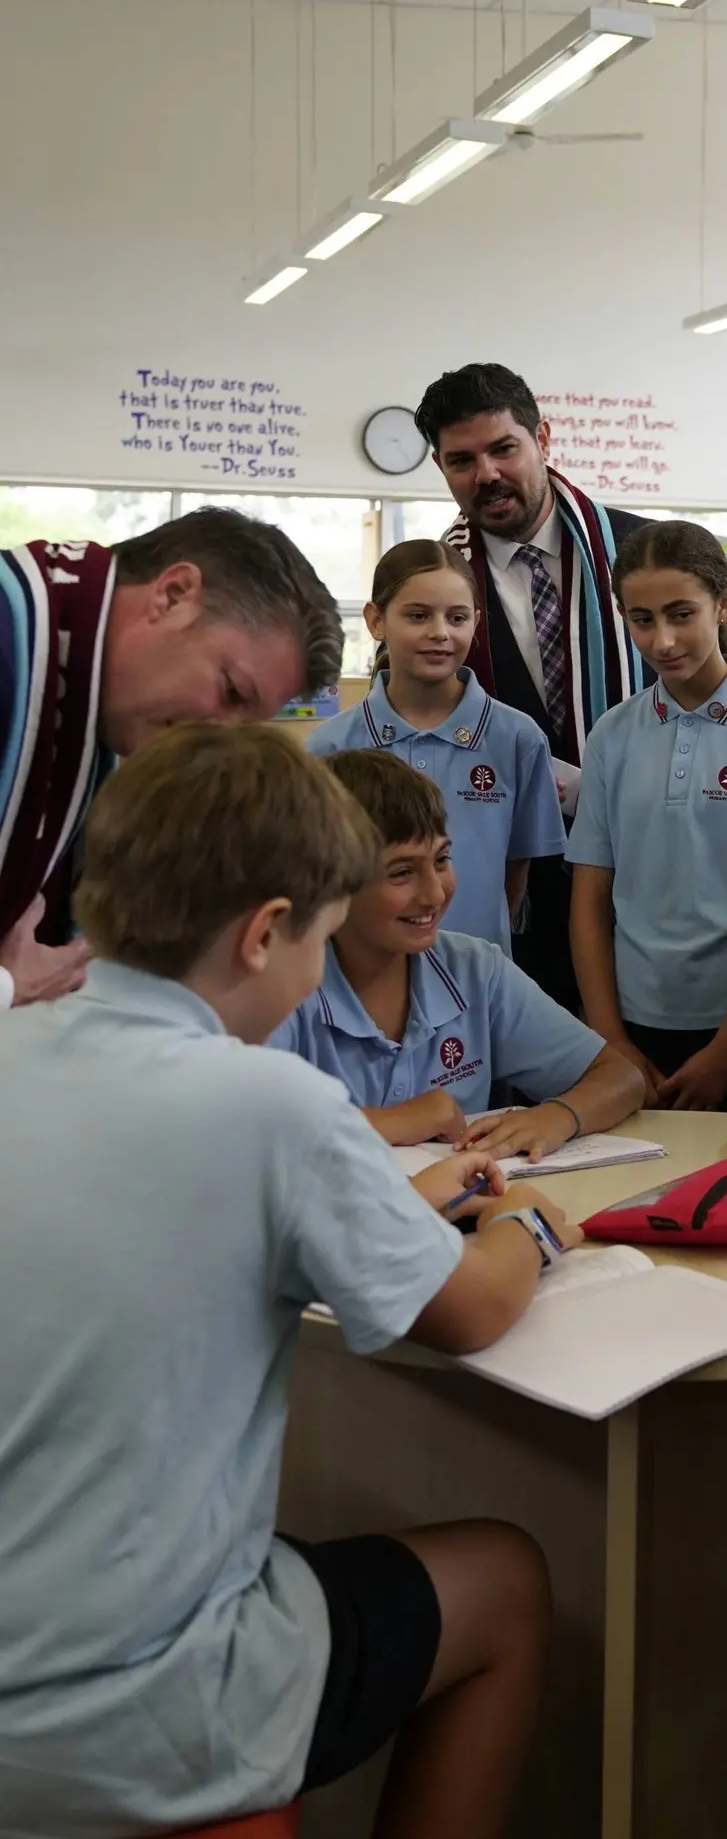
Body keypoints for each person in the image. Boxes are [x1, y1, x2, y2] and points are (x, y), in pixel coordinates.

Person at [0, 721, 583, 1839]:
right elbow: (469, 1311)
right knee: (505, 1580)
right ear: (267, 933)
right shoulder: (273, 1107)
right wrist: (529, 1228)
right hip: (129, 1707)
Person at [0, 507, 342, 1011]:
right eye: (230, 691)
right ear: (174, 594)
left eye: (246, 725)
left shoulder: (98, 708)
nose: (218, 738)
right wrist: (10, 988)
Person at [273, 749, 644, 1162]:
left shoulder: (474, 970)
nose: (434, 893)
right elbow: (244, 1134)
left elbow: (621, 1077)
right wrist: (391, 1122)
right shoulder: (277, 990)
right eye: (401, 872)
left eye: (441, 860)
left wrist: (556, 1117)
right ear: (328, 881)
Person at [416, 361, 652, 1007]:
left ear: (542, 439)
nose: (486, 474)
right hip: (504, 885)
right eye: (462, 460)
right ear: (440, 467)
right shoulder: (433, 587)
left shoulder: (643, 551)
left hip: (651, 867)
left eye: (503, 449)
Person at [567, 521, 727, 1112]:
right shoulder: (612, 735)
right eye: (642, 619)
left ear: (723, 604)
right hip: (634, 1030)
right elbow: (589, 900)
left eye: (682, 614)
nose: (663, 641)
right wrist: (610, 1039)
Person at [307, 541, 564, 954]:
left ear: (475, 622)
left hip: (478, 975)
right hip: (362, 972)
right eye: (418, 615)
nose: (440, 632)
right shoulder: (330, 747)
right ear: (375, 620)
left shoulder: (517, 738)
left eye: (456, 617)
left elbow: (515, 873)